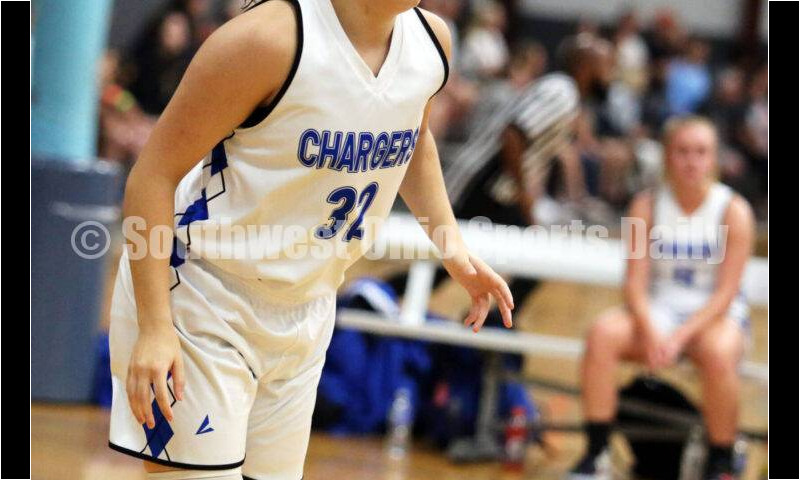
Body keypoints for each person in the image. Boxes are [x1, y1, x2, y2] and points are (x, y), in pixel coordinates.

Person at [107, 1, 515, 479]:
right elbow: (151, 177)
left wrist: (454, 249)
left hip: (309, 306)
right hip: (204, 295)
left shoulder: (431, 42)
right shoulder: (266, 40)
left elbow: (414, 135)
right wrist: (156, 328)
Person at [567, 116, 754, 480]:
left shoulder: (735, 210)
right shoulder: (646, 205)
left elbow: (726, 292)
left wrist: (679, 338)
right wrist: (653, 332)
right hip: (659, 309)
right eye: (682, 151)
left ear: (714, 158)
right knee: (602, 334)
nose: (691, 161)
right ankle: (595, 453)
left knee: (718, 353)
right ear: (668, 156)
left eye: (701, 152)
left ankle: (721, 460)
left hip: (715, 315)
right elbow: (634, 283)